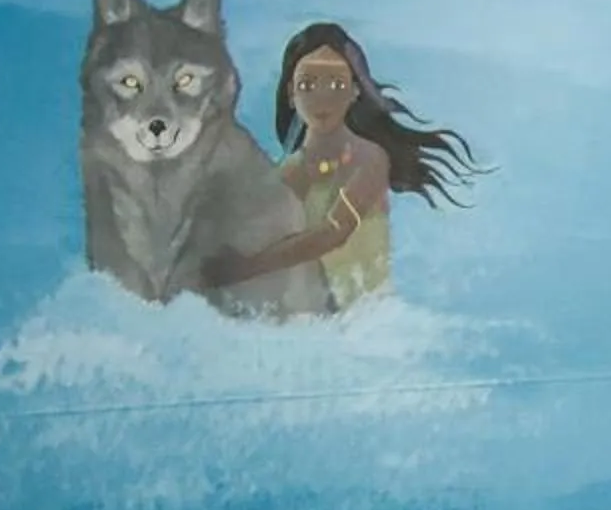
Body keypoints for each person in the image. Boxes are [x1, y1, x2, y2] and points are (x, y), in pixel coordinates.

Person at [203, 22, 480, 309]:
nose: (322, 98)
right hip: (315, 314)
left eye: (336, 84)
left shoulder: (369, 158)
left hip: (366, 318)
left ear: (354, 91)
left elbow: (335, 231)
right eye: (308, 85)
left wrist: (247, 268)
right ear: (290, 93)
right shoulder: (294, 169)